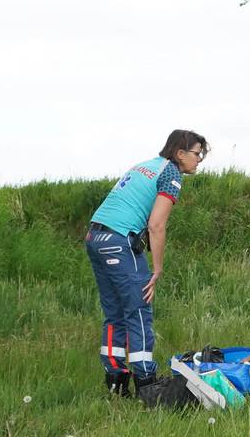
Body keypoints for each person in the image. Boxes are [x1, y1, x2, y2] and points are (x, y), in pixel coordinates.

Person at [85, 129, 208, 396]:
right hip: (119, 240)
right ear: (180, 153)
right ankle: (146, 383)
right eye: (197, 154)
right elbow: (156, 225)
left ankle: (115, 380)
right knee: (139, 309)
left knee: (114, 310)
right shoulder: (171, 173)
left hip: (95, 236)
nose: (199, 159)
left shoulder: (144, 166)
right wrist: (158, 268)